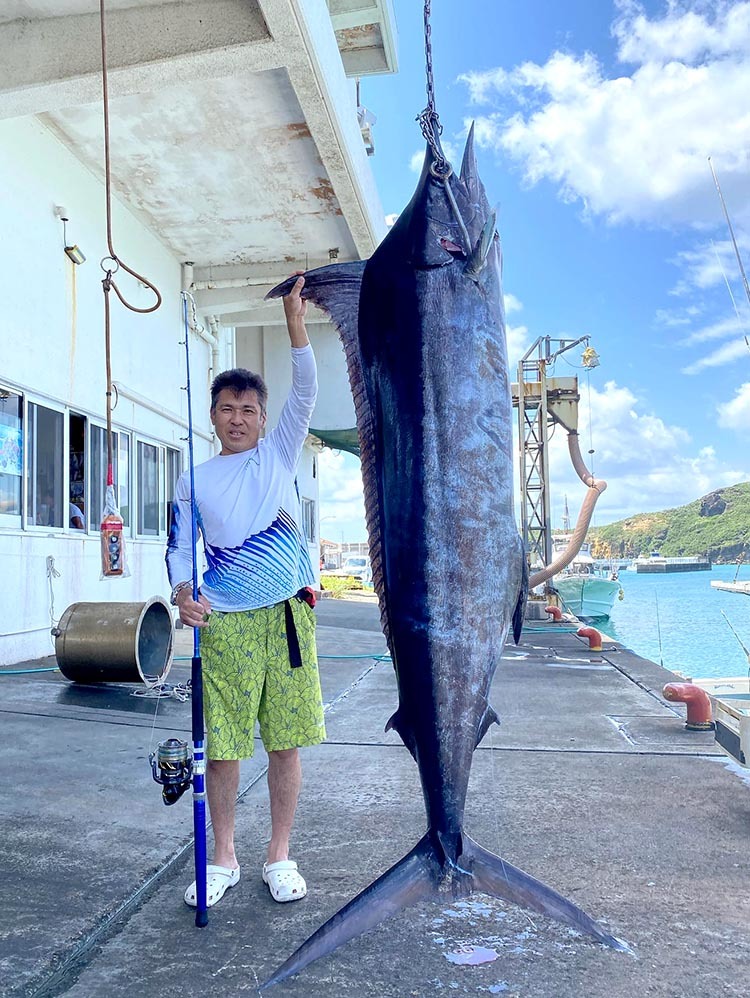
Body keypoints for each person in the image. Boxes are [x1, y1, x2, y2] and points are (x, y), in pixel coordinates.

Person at [165, 274, 325, 911]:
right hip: (224, 623)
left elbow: (306, 388)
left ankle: (279, 855)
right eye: (227, 409)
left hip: (287, 617)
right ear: (213, 416)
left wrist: (295, 321)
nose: (238, 419)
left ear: (262, 419)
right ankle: (223, 857)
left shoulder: (280, 454)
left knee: (285, 741)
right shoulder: (194, 479)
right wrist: (183, 593)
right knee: (224, 745)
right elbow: (181, 548)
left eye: (249, 410)